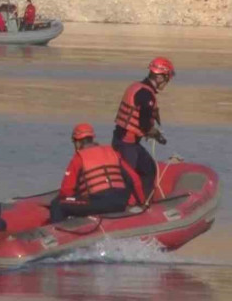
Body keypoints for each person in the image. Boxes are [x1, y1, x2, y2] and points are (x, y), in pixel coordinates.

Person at [48, 123, 145, 224]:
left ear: (77, 142)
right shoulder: (112, 152)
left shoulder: (78, 158)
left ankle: (57, 234)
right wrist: (142, 203)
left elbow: (66, 191)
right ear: (92, 138)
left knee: (58, 204)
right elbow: (135, 179)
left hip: (97, 203)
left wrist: (76, 197)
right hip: (120, 201)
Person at [111, 56, 175, 200]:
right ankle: (127, 207)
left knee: (149, 169)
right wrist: (158, 136)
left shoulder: (137, 87)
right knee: (128, 177)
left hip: (126, 140)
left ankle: (144, 201)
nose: (167, 82)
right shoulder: (146, 95)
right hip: (126, 144)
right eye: (167, 78)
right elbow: (144, 124)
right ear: (159, 77)